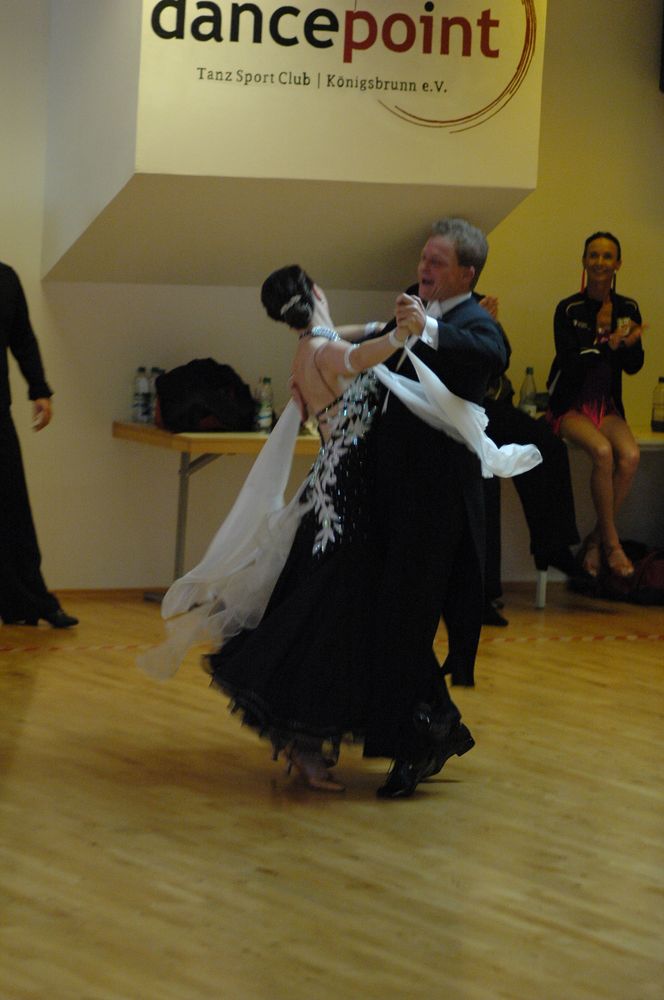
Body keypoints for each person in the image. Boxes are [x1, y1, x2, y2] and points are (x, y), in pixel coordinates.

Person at [140, 263, 540, 797]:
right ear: (315, 291)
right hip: (347, 497)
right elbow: (361, 354)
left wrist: (420, 325)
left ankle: (395, 729)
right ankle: (346, 736)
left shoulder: (314, 342)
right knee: (331, 615)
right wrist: (402, 335)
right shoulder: (325, 351)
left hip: (339, 489)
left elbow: (364, 332)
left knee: (340, 613)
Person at [362, 218, 510, 796]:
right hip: (393, 495)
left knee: (407, 620)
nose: (424, 268)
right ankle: (435, 725)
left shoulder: (474, 323)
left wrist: (426, 328)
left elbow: (491, 353)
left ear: (467, 274)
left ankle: (420, 741)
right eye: (424, 258)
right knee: (388, 618)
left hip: (437, 507)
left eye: (437, 262)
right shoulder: (412, 312)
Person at [545, 232, 645, 579]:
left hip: (607, 406)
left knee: (630, 456)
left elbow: (634, 366)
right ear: (584, 261)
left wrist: (628, 344)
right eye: (593, 255)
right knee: (602, 452)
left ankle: (595, 541)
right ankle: (612, 546)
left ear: (618, 264)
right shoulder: (568, 308)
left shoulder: (627, 309)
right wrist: (604, 341)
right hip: (570, 406)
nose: (600, 262)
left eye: (607, 256)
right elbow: (571, 363)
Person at [478, 295, 581, 628]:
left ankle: (553, 545)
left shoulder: (477, 301)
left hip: (495, 406)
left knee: (547, 446)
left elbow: (501, 360)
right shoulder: (421, 300)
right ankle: (483, 591)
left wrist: (491, 325)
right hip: (458, 409)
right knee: (485, 475)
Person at [0, 262, 78, 629]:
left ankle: (27, 601)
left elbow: (22, 338)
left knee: (12, 509)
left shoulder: (5, 279)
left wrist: (39, 389)